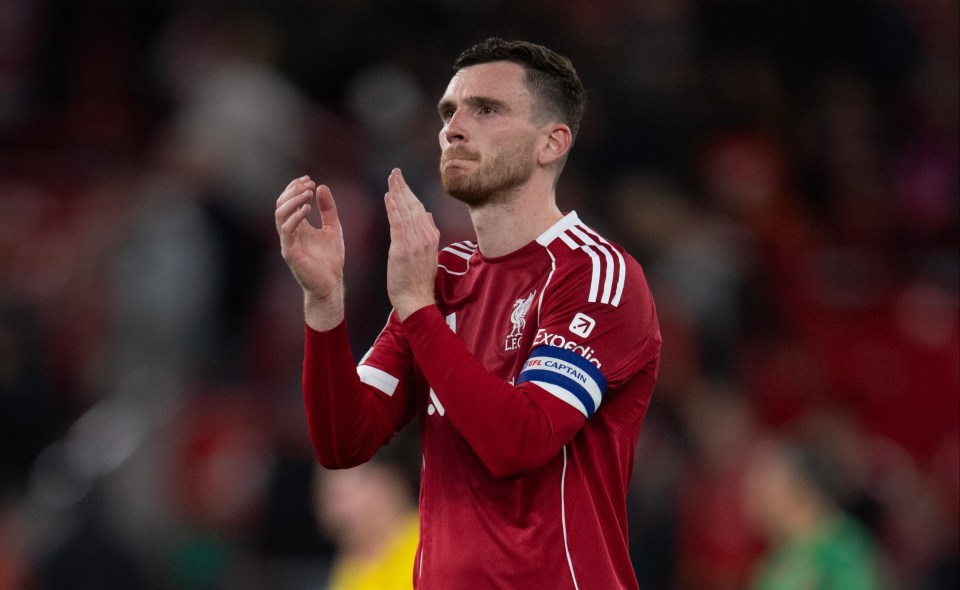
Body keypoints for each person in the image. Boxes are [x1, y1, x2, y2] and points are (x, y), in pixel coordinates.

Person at [274, 37, 661, 589]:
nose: (454, 128)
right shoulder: (441, 277)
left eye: (486, 110)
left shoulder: (595, 274)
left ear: (551, 143)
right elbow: (344, 442)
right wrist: (324, 303)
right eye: (449, 111)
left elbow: (520, 442)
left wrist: (416, 307)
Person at [742, 435, 888, 590]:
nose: (752, 499)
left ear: (800, 488)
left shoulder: (844, 550)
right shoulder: (783, 552)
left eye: (765, 488)